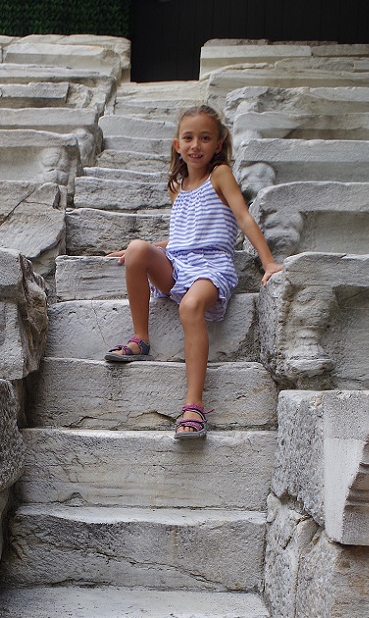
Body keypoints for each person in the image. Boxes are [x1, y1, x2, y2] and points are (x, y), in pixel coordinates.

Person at [104, 104, 282, 439]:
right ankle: (141, 339)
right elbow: (184, 235)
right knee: (139, 248)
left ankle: (194, 404)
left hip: (212, 266)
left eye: (204, 138)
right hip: (179, 263)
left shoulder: (221, 175)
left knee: (189, 307)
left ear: (218, 144)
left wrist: (268, 262)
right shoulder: (178, 186)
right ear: (177, 145)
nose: (195, 144)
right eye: (188, 138)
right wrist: (145, 248)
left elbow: (243, 217)